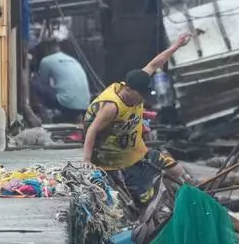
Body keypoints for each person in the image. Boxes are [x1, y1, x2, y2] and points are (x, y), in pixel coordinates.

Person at [82, 33, 193, 206]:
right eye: (141, 95)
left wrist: (177, 45)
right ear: (129, 89)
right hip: (115, 159)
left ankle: (192, 198)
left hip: (136, 149)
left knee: (176, 169)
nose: (143, 99)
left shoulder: (138, 81)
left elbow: (155, 63)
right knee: (146, 198)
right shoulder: (112, 107)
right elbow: (92, 129)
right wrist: (87, 160)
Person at [31, 39, 91, 122]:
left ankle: (42, 116)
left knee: (33, 84)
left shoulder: (46, 60)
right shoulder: (73, 60)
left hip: (66, 104)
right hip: (85, 105)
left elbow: (43, 83)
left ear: (47, 49)